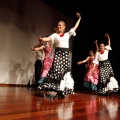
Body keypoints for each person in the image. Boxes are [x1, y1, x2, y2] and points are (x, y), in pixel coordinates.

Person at [38, 12, 81, 98]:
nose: (59, 26)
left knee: (64, 73)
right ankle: (58, 90)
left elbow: (75, 27)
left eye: (61, 25)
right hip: (58, 55)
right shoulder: (55, 35)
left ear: (64, 27)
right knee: (57, 71)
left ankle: (61, 92)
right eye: (58, 25)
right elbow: (49, 38)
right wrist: (42, 39)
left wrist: (79, 19)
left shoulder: (67, 34)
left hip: (65, 55)